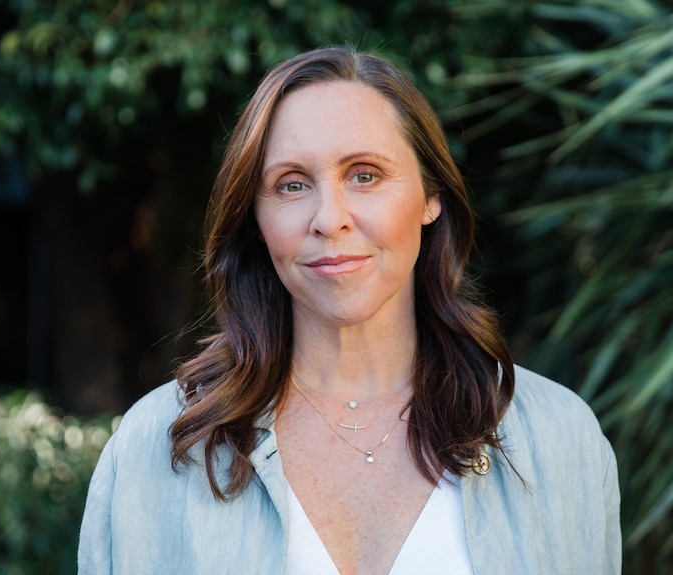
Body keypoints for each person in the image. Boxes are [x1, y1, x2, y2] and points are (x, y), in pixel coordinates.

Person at [78, 46, 621, 575]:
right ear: (256, 219)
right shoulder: (154, 449)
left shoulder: (558, 439)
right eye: (291, 185)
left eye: (365, 175)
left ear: (432, 197)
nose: (329, 218)